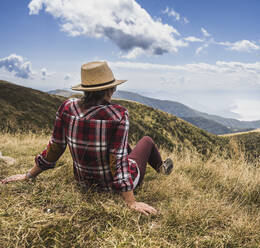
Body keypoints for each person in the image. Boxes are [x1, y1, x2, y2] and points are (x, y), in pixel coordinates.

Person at [1, 61, 173, 216]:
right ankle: (161, 169)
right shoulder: (118, 114)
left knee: (122, 144)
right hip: (112, 185)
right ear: (109, 90)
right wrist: (131, 202)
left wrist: (29, 175)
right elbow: (118, 160)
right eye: (113, 87)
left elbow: (55, 147)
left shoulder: (67, 108)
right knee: (147, 141)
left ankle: (157, 167)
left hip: (84, 182)